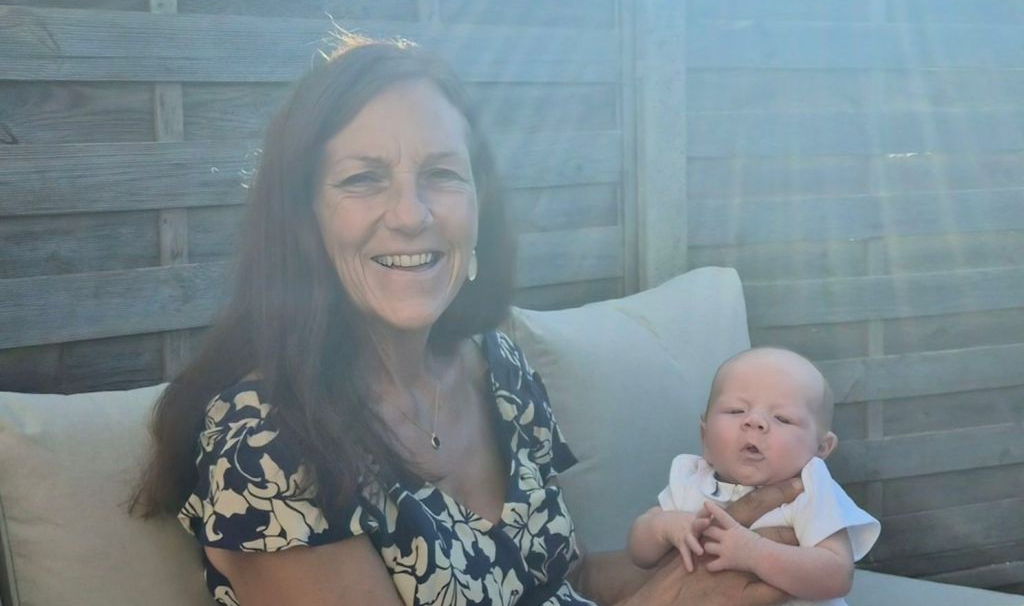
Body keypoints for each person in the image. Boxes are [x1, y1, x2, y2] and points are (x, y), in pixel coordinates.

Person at [132, 35, 803, 606]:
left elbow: (563, 581)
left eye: (443, 174)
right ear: (303, 219)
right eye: (363, 179)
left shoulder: (499, 368)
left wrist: (725, 560)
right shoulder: (264, 441)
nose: (411, 214)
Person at [628, 348, 881, 606]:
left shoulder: (810, 491)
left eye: (782, 418)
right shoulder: (690, 481)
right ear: (705, 437)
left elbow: (837, 575)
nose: (754, 421)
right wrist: (663, 527)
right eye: (736, 410)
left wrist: (754, 553)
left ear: (821, 448)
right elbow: (640, 555)